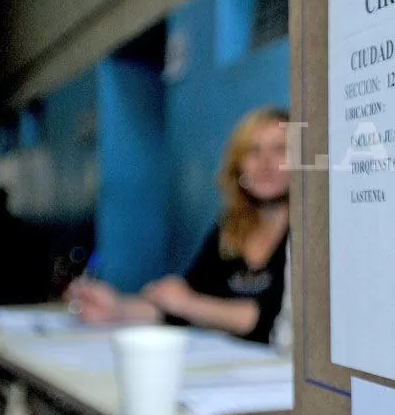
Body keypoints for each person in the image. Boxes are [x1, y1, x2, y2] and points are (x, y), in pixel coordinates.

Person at [68, 108, 290, 343]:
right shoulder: (230, 229)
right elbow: (180, 302)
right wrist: (117, 309)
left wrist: (190, 304)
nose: (266, 162)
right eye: (253, 151)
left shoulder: (312, 235)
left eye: (280, 150)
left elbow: (269, 317)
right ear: (238, 165)